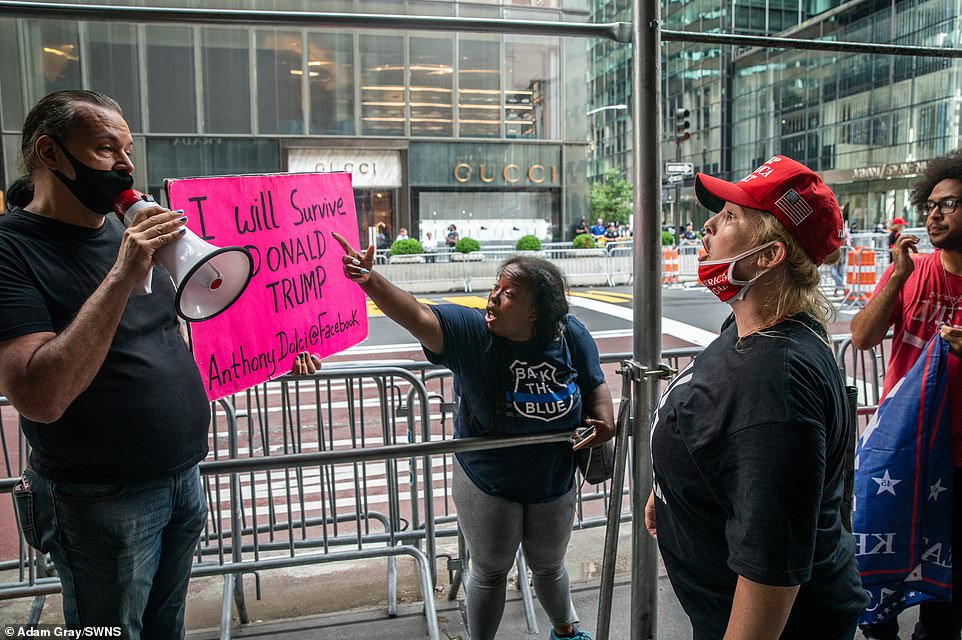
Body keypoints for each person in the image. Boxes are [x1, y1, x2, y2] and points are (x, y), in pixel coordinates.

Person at [331, 233, 615, 640]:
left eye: (509, 293)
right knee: (491, 570)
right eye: (496, 287)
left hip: (553, 478)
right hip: (488, 480)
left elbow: (594, 385)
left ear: (536, 312)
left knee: (550, 564)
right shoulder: (473, 332)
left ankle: (567, 631)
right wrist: (369, 279)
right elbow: (417, 315)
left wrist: (605, 420)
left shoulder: (569, 335)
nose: (494, 297)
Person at [0, 90, 211, 638]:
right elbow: (39, 395)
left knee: (166, 627)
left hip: (182, 477)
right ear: (50, 154)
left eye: (127, 150)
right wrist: (121, 274)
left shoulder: (126, 231)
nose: (125, 165)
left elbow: (168, 333)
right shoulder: (11, 251)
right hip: (100, 498)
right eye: (104, 148)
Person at [645, 155, 868, 639]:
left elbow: (771, 567)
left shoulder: (775, 380)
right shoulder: (752, 327)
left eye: (730, 217)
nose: (707, 225)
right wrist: (672, 488)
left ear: (768, 255)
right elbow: (736, 450)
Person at [851, 149, 962, 640]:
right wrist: (897, 276)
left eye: (950, 204)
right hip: (900, 451)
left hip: (957, 460)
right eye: (931, 205)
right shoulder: (914, 272)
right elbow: (862, 337)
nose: (934, 215)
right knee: (877, 589)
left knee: (945, 602)